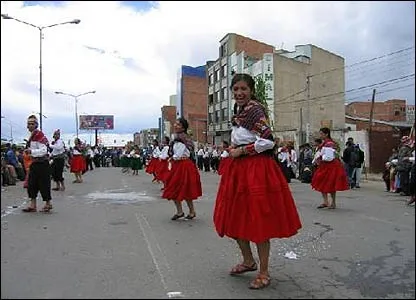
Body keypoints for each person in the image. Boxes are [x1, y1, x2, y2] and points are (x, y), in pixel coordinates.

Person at [213, 73, 302, 290]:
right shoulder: (240, 113)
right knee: (233, 218)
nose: (239, 93)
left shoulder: (254, 110)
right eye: (235, 90)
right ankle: (248, 261)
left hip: (256, 170)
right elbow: (244, 139)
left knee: (259, 221)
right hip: (239, 170)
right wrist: (233, 151)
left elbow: (269, 141)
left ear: (251, 90)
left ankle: (263, 272)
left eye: (243, 89)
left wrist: (243, 150)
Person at [162, 117, 202, 220]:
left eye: (178, 124)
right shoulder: (175, 138)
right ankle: (180, 212)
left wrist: (172, 158)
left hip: (183, 165)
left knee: (185, 189)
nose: (175, 125)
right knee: (173, 188)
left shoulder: (184, 139)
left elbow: (179, 154)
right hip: (177, 165)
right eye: (175, 124)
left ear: (183, 127)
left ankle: (192, 211)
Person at [311, 127, 349, 209]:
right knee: (322, 182)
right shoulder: (325, 143)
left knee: (330, 183)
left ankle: (332, 202)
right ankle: (326, 201)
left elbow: (329, 157)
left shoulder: (328, 143)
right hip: (325, 166)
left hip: (330, 166)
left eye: (321, 133)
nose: (320, 135)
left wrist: (320, 157)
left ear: (326, 134)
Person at [22, 115, 53, 213]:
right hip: (34, 163)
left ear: (36, 125)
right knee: (32, 184)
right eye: (29, 124)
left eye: (32, 124)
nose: (30, 125)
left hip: (42, 163)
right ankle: (33, 205)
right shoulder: (32, 136)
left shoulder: (39, 135)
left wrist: (31, 151)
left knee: (44, 184)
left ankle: (48, 204)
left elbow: (44, 150)